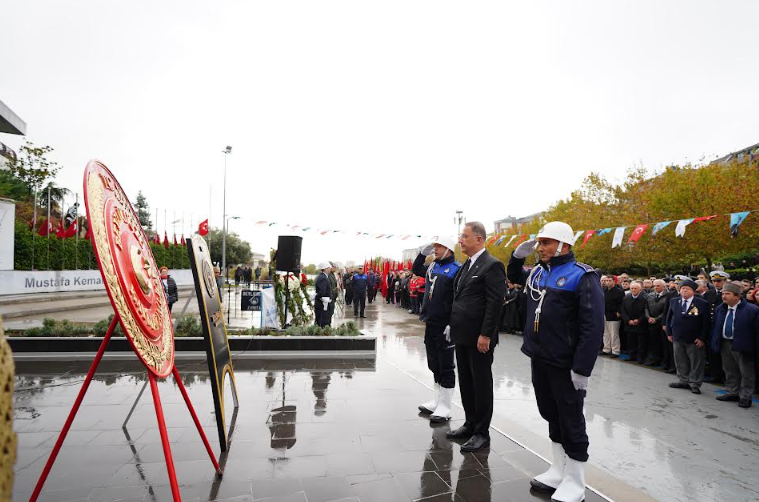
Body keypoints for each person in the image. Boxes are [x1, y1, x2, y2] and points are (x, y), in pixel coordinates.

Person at [507, 221, 603, 502]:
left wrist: (582, 369)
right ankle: (558, 469)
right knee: (550, 413)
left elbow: (592, 327)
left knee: (571, 418)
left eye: (546, 242)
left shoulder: (582, 276)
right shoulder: (538, 272)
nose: (541, 248)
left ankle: (575, 480)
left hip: (566, 363)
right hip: (541, 356)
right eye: (539, 243)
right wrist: (516, 256)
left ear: (564, 244)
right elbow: (514, 275)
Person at [446, 222, 505, 453]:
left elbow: (494, 304)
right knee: (467, 382)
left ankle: (482, 433)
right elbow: (460, 298)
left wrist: (485, 334)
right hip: (462, 335)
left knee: (481, 384)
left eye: (464, 236)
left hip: (480, 338)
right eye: (461, 236)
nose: (460, 240)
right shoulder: (466, 266)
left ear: (479, 239)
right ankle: (470, 424)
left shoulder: (492, 265)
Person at [412, 236, 461, 423]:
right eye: (434, 247)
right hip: (431, 322)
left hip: (445, 325)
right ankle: (437, 401)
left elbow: (459, 298)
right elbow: (416, 269)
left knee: (446, 365)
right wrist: (422, 254)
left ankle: (446, 407)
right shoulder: (433, 266)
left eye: (439, 247)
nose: (436, 250)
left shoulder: (456, 269)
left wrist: (453, 322)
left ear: (449, 249)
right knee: (434, 363)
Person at [710, 281, 759, 408]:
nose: (723, 296)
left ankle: (745, 397)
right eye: (723, 293)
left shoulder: (752, 310)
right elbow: (715, 326)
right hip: (725, 344)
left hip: (743, 345)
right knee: (729, 370)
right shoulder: (720, 308)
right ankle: (732, 392)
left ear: (737, 296)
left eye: (727, 294)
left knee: (746, 372)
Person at [666, 279, 710, 394]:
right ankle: (683, 380)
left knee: (696, 362)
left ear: (693, 291)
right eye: (682, 288)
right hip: (677, 336)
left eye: (687, 288)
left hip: (694, 339)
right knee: (680, 360)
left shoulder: (702, 303)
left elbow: (706, 323)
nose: (684, 290)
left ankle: (695, 383)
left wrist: (702, 338)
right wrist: (669, 333)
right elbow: (669, 317)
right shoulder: (674, 301)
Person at [704, 271, 730, 384]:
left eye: (719, 281)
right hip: (710, 327)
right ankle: (714, 374)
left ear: (725, 281)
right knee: (711, 351)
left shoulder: (728, 294)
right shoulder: (708, 293)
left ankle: (724, 376)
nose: (716, 283)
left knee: (724, 353)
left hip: (722, 327)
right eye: (714, 281)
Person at [621, 281, 648, 363]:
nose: (633, 290)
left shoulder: (645, 298)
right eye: (632, 288)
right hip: (629, 324)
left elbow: (645, 311)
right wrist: (628, 320)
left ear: (640, 290)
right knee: (631, 341)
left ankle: (640, 358)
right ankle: (631, 356)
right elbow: (623, 310)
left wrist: (639, 320)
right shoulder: (626, 298)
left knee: (641, 342)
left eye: (635, 288)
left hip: (640, 324)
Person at [644, 279, 668, 366]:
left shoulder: (668, 296)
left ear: (663, 286)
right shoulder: (650, 295)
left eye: (658, 286)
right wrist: (648, 317)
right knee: (653, 342)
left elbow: (666, 311)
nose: (656, 287)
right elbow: (646, 308)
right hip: (651, 323)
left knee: (663, 343)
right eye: (654, 286)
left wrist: (656, 319)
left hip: (661, 323)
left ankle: (664, 361)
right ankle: (654, 359)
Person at [601, 275, 624, 357]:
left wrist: (618, 311)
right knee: (606, 333)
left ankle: (615, 351)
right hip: (604, 313)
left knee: (614, 334)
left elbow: (621, 303)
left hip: (614, 314)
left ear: (614, 281)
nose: (607, 282)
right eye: (606, 280)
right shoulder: (604, 290)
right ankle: (606, 349)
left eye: (609, 280)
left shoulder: (619, 291)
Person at [314, 262, 332, 328]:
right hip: (322, 304)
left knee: (322, 321)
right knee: (323, 322)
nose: (330, 270)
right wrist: (318, 297)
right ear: (326, 269)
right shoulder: (323, 278)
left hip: (323, 303)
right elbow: (322, 292)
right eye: (329, 268)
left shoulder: (322, 277)